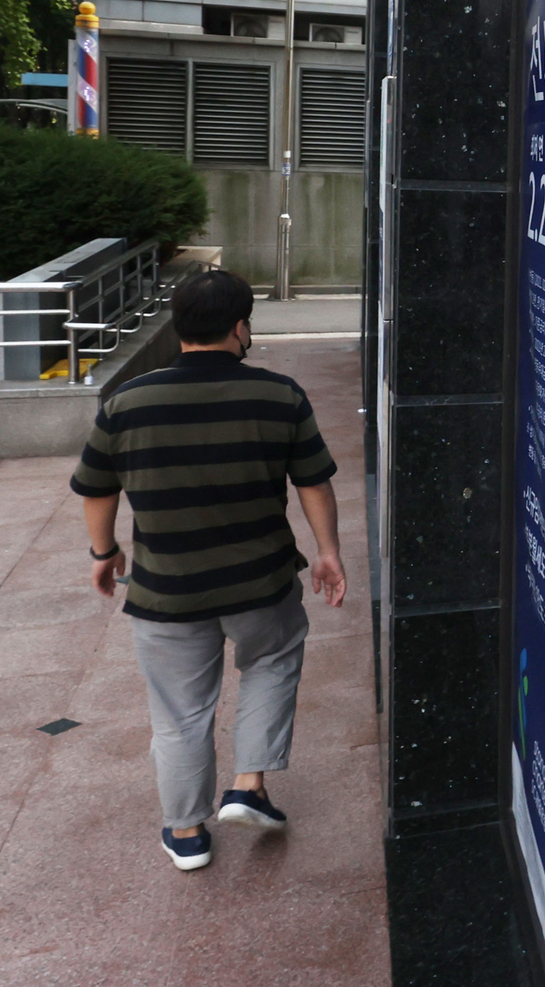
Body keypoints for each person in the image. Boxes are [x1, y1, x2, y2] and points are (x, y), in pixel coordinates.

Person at [71, 269, 348, 870]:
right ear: (240, 327)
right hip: (262, 582)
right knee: (272, 663)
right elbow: (313, 482)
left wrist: (104, 552)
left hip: (166, 590)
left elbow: (95, 486)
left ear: (178, 328)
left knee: (179, 712)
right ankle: (248, 786)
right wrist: (327, 551)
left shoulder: (126, 402)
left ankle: (188, 833)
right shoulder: (279, 395)